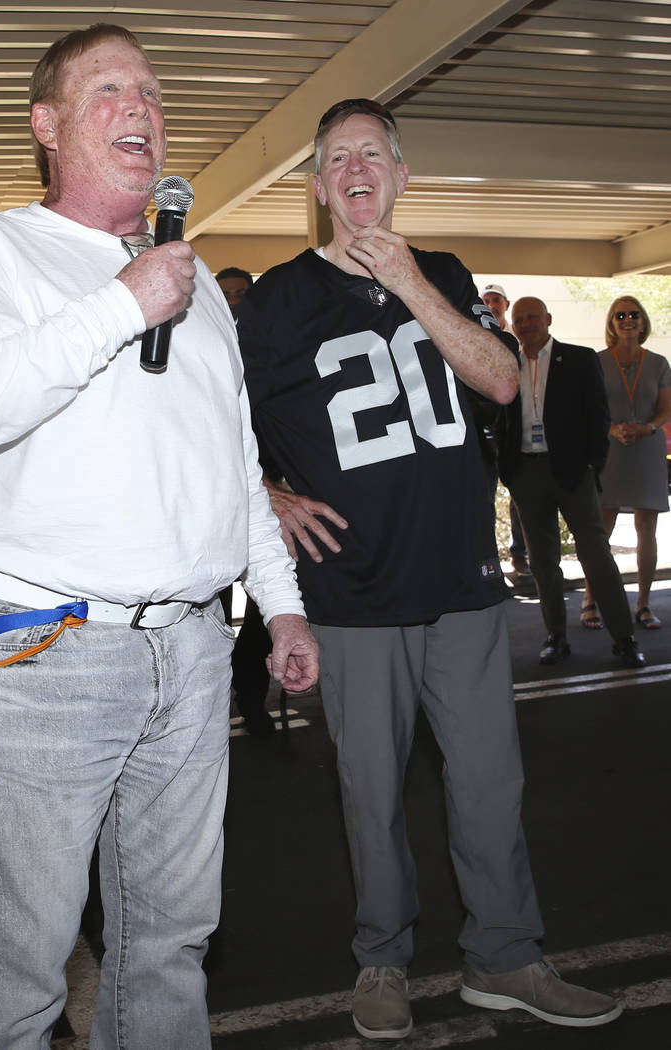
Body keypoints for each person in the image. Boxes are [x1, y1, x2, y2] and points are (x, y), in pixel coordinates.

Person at [0, 24, 317, 1050]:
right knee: (20, 975)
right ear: (47, 125)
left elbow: (231, 469)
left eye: (152, 91)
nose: (142, 106)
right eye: (109, 89)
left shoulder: (199, 290)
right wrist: (122, 303)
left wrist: (282, 606)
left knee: (171, 947)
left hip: (189, 651)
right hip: (42, 647)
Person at [237, 98, 621, 1040]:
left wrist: (410, 281)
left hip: (463, 582)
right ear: (319, 186)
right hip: (354, 592)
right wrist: (267, 493)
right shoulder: (279, 299)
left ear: (402, 176)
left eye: (373, 154)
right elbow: (208, 421)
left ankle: (506, 955)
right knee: (371, 794)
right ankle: (383, 958)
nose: (356, 169)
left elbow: (497, 378)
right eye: (336, 158)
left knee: (491, 782)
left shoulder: (440, 273)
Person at [500, 296, 645, 668]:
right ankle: (556, 637)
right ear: (513, 326)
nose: (527, 323)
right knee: (543, 563)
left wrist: (591, 466)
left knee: (596, 555)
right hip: (526, 474)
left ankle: (625, 640)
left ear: (548, 319)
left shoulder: (579, 359)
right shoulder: (506, 361)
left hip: (572, 472)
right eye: (520, 319)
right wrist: (509, 472)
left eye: (533, 316)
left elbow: (598, 416)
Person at [580, 296, 671, 630]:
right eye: (621, 315)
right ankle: (590, 600)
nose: (628, 319)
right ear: (611, 322)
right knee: (600, 530)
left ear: (643, 321)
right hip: (609, 450)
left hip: (646, 449)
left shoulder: (659, 362)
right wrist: (611, 429)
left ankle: (644, 604)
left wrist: (648, 427)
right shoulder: (596, 361)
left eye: (634, 314)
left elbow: (666, 409)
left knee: (646, 529)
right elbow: (587, 409)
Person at [215, 265, 277, 736]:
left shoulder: (271, 348)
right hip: (212, 501)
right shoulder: (199, 345)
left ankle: (253, 699)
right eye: (226, 294)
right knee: (212, 609)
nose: (234, 301)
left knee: (263, 611)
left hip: (266, 493)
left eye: (241, 293)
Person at [480, 283, 530, 575]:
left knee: (521, 498)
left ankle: (520, 554)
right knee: (483, 497)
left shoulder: (520, 339)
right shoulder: (474, 333)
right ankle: (489, 564)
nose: (490, 303)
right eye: (485, 299)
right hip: (482, 429)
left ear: (506, 304)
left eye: (495, 299)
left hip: (514, 430)